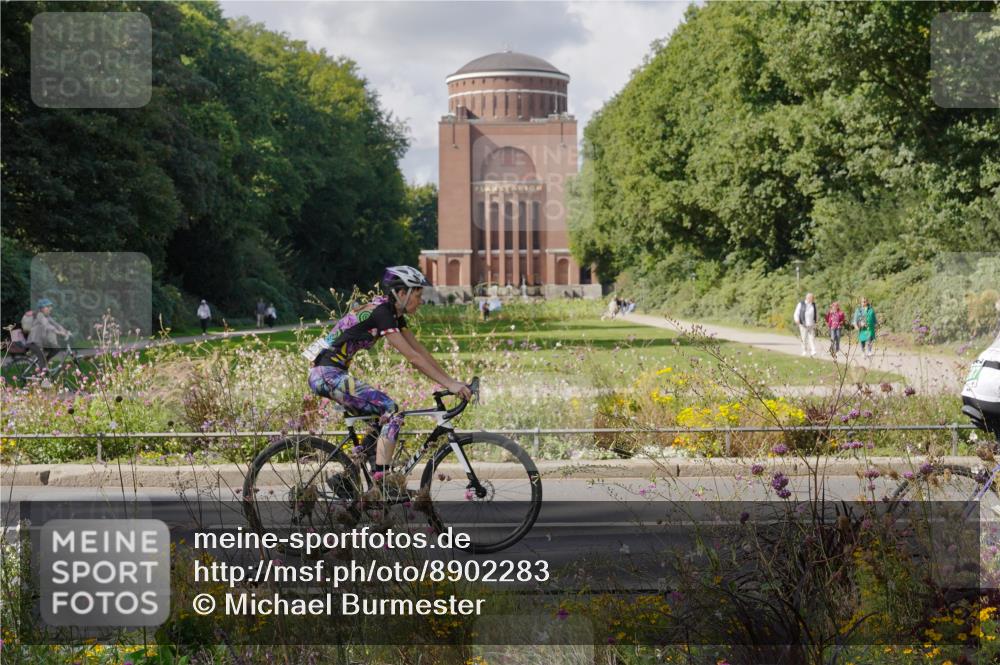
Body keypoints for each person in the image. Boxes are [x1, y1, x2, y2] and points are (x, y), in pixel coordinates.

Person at [307, 266, 472, 501]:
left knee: (380, 420)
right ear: (401, 293)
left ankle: (347, 476)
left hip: (330, 373)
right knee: (391, 411)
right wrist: (450, 384)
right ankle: (383, 483)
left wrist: (451, 381)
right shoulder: (382, 312)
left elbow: (419, 350)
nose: (421, 300)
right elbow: (413, 359)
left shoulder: (393, 313)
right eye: (418, 294)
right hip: (326, 375)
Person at [26, 298, 71, 384]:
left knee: (56, 348)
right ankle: (43, 383)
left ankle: (43, 367)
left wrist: (65, 331)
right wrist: (58, 332)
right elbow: (47, 326)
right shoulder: (40, 315)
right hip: (33, 343)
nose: (50, 308)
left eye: (50, 307)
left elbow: (56, 324)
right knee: (42, 359)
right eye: (48, 307)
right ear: (41, 308)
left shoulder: (47, 317)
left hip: (41, 343)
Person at [793, 293, 818, 357]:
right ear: (808, 298)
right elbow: (796, 313)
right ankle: (804, 350)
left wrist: (816, 322)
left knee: (812, 338)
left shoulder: (814, 304)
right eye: (812, 298)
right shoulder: (801, 304)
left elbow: (816, 313)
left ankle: (813, 350)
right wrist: (797, 320)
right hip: (803, 324)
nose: (813, 299)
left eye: (813, 298)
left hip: (811, 324)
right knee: (804, 338)